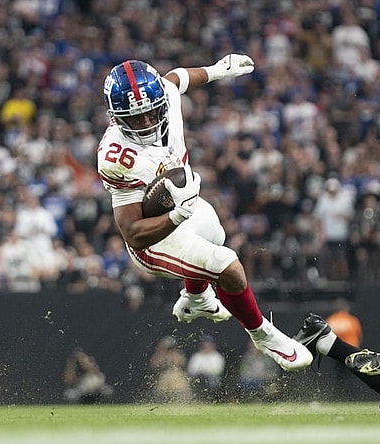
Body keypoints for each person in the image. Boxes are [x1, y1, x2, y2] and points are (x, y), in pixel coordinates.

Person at [97, 55, 312, 371]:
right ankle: (265, 336)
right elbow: (132, 233)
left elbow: (177, 77)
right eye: (134, 118)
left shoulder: (166, 94)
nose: (145, 123)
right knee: (227, 265)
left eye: (149, 113)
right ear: (116, 117)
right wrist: (176, 216)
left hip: (185, 205)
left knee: (217, 235)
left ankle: (196, 298)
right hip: (152, 238)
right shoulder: (117, 156)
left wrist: (217, 70)